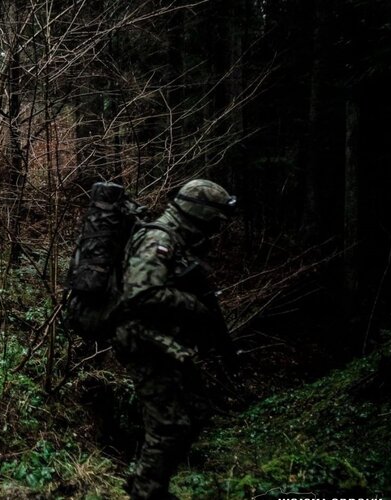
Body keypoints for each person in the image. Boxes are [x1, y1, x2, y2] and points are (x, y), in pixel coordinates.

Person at [113, 179, 239, 499]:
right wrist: (193, 305)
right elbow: (140, 292)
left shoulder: (175, 240)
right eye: (215, 220)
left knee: (194, 412)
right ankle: (146, 492)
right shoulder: (159, 238)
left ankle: (144, 480)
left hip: (161, 342)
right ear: (199, 213)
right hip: (143, 342)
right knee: (170, 427)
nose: (216, 229)